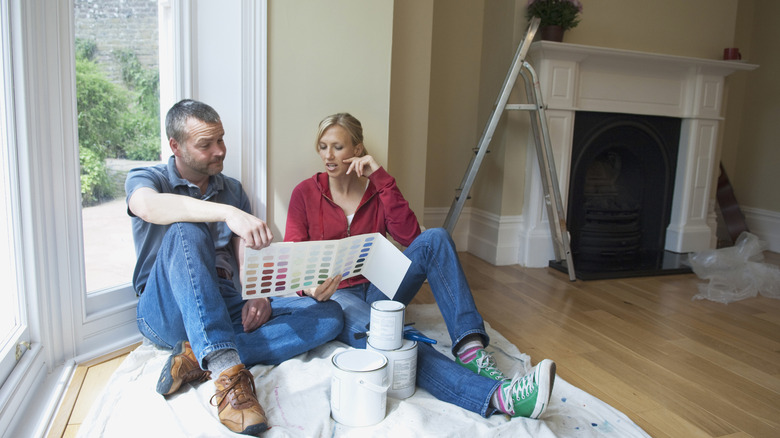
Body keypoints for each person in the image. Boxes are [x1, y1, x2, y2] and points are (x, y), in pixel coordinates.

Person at [285, 112, 557, 419]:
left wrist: (381, 179)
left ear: (358, 150)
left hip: (379, 286)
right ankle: (500, 398)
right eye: (323, 147)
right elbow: (295, 258)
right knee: (398, 342)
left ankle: (470, 348)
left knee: (436, 238)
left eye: (337, 147)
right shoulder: (305, 193)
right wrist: (309, 287)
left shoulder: (376, 189)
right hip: (337, 297)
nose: (328, 156)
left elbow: (411, 237)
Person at [126, 99, 344, 436]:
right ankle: (227, 373)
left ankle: (196, 357)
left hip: (226, 302)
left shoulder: (233, 190)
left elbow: (247, 256)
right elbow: (146, 206)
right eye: (206, 144)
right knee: (187, 227)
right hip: (166, 311)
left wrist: (261, 296)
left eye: (221, 140)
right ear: (176, 146)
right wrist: (227, 214)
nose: (219, 151)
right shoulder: (148, 178)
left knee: (330, 315)